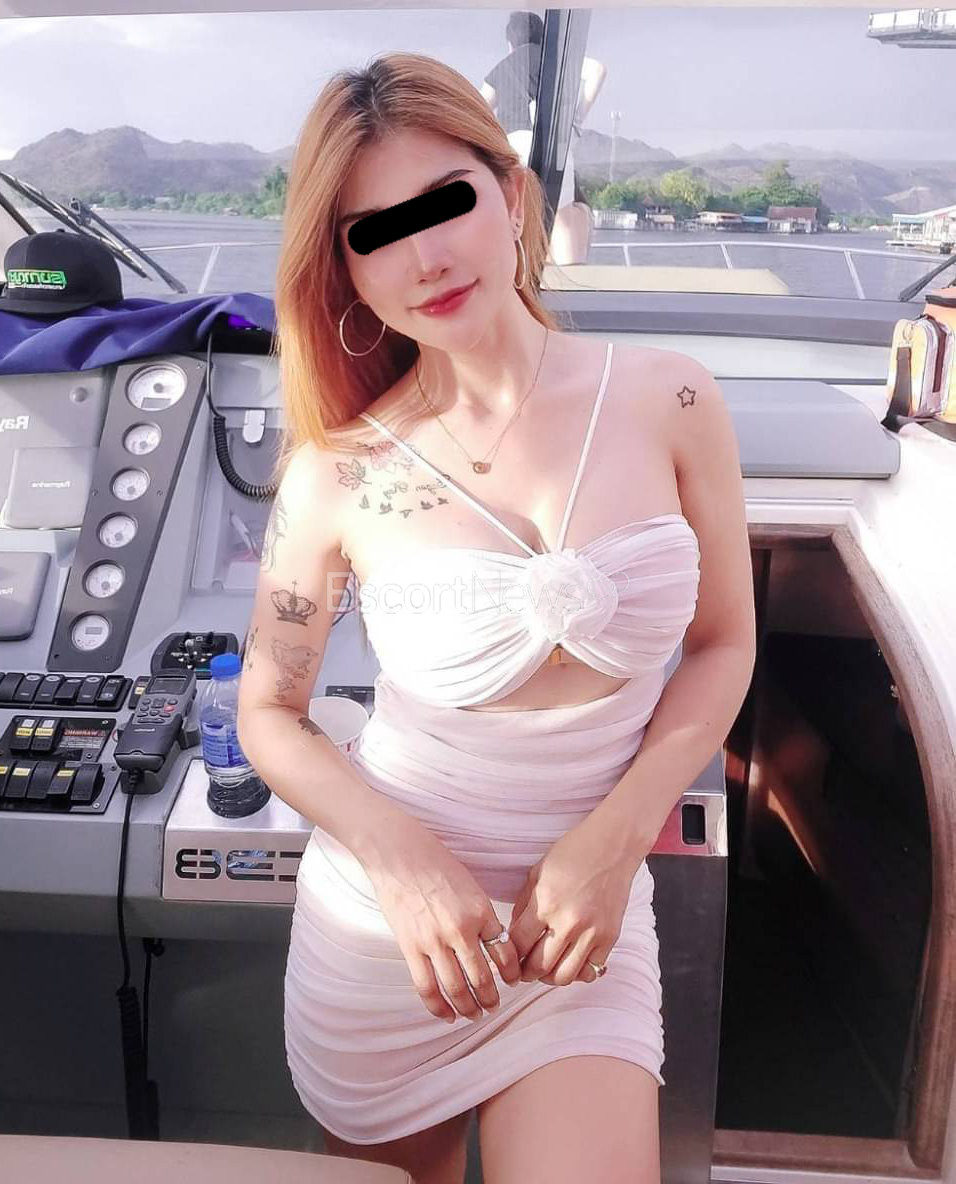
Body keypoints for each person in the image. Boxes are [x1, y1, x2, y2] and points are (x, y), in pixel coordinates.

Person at [237, 50, 753, 1184]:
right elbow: (269, 710)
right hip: (393, 938)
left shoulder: (673, 398)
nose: (423, 256)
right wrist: (404, 863)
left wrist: (617, 840)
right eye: (375, 232)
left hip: (585, 930)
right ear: (345, 270)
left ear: (511, 197)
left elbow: (723, 644)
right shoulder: (335, 472)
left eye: (445, 203)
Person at [481, 12, 608, 265]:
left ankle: (526, 276)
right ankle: (567, 273)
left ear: (510, 43)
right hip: (552, 145)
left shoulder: (504, 66)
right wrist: (576, 117)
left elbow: (477, 106)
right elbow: (598, 69)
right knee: (560, 218)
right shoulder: (552, 59)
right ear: (544, 38)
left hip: (514, 147)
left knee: (519, 220)